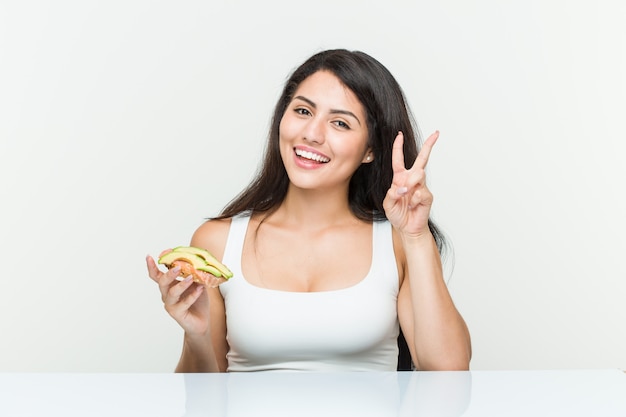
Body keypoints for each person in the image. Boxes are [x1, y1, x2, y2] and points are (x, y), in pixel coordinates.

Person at [146, 49, 471, 372]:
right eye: (302, 111)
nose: (312, 134)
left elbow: (447, 369)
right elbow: (202, 399)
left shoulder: (398, 241)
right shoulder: (217, 241)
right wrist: (197, 335)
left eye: (340, 123)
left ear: (370, 150)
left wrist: (415, 236)